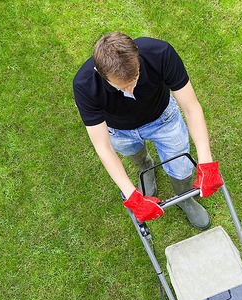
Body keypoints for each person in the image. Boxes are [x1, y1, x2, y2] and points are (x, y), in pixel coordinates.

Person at [72, 32, 224, 228]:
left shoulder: (160, 53)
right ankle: (146, 166)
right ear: (99, 72)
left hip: (164, 119)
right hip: (120, 131)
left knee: (182, 167)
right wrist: (131, 195)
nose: (130, 91)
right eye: (121, 86)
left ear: (138, 56)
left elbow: (191, 107)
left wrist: (206, 162)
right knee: (132, 152)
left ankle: (185, 198)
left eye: (134, 79)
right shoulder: (84, 85)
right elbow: (103, 146)